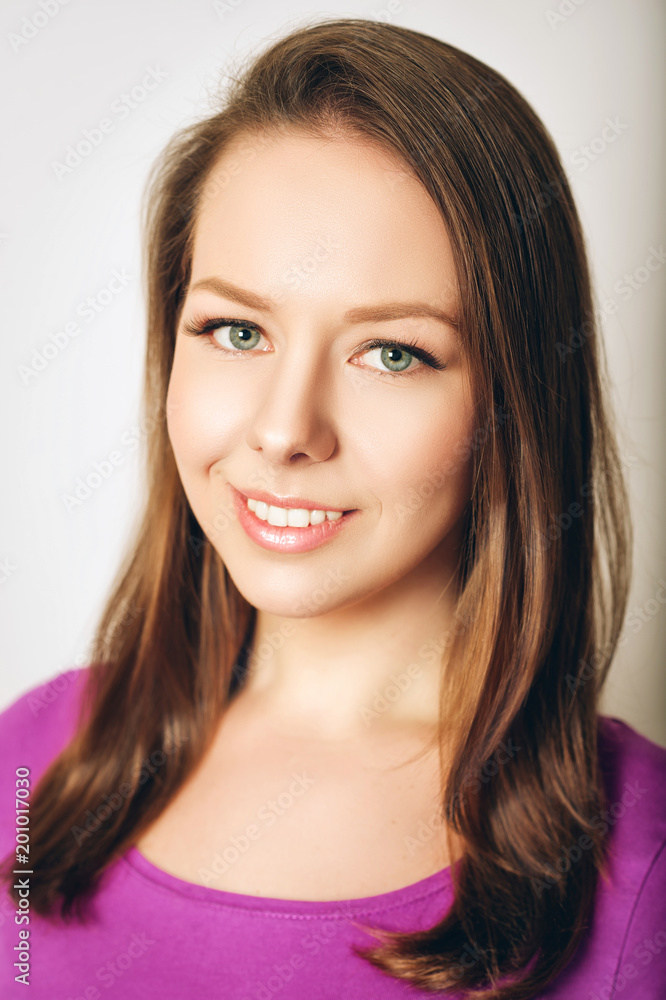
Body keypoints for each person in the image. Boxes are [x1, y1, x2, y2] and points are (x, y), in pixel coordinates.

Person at [1, 15, 664, 1000]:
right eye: (234, 329)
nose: (284, 429)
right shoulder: (28, 758)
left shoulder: (642, 872)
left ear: (514, 401)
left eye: (391, 352)